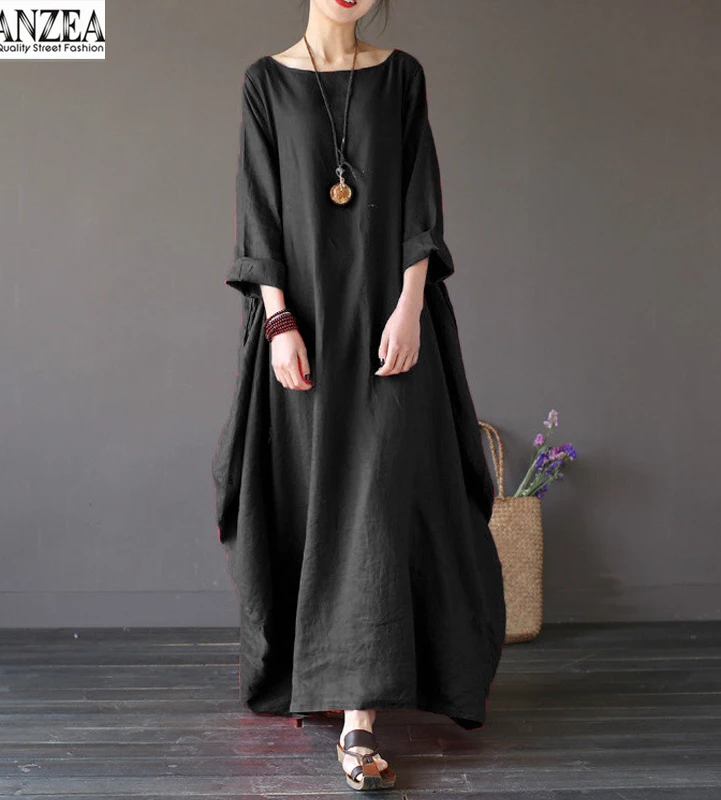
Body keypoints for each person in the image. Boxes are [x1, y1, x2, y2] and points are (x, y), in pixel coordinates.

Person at [211, 0, 506, 790]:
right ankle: (324, 674)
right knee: (315, 501)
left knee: (375, 506)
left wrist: (410, 308)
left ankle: (358, 720)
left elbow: (419, 201)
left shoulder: (400, 77)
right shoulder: (265, 83)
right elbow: (260, 211)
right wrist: (278, 321)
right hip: (304, 328)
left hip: (388, 325)